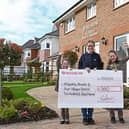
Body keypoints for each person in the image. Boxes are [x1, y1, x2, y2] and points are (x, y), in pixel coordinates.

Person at [78, 40, 103, 125]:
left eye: (91, 46)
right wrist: (84, 69)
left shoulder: (97, 56)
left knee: (91, 100)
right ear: (87, 47)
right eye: (89, 46)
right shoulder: (83, 56)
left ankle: (90, 118)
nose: (90, 47)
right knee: (84, 100)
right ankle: (85, 118)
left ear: (94, 46)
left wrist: (97, 69)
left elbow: (101, 67)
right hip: (84, 82)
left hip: (93, 82)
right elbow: (79, 67)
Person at [106, 43, 129, 124]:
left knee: (119, 102)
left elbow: (128, 57)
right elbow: (105, 76)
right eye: (110, 56)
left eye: (113, 55)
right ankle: (112, 117)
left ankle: (121, 117)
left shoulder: (120, 61)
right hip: (111, 86)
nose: (112, 57)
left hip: (119, 86)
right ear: (109, 57)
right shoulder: (108, 66)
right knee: (111, 102)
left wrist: (127, 48)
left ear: (116, 55)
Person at [56, 58, 70, 124]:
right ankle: (62, 118)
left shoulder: (70, 71)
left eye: (66, 63)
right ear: (62, 64)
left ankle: (67, 118)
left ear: (68, 64)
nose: (65, 65)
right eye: (64, 63)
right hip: (61, 89)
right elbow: (57, 64)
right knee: (62, 104)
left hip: (67, 90)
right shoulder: (60, 70)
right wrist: (59, 56)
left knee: (67, 104)